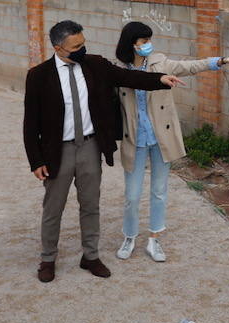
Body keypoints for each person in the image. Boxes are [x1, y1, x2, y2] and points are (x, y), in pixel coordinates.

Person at [23, 20, 182, 283]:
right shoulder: (39, 76)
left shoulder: (95, 64)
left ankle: (91, 256)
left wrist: (160, 80)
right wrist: (35, 160)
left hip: (89, 147)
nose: (82, 49)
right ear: (58, 47)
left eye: (83, 43)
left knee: (90, 205)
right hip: (57, 152)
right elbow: (30, 122)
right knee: (53, 207)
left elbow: (128, 77)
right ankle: (48, 258)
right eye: (76, 46)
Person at [113, 22, 229, 262]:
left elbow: (191, 66)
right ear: (131, 44)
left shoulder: (160, 62)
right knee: (132, 195)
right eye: (143, 42)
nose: (147, 45)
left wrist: (222, 60)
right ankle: (130, 236)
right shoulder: (120, 70)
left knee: (159, 191)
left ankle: (154, 238)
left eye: (148, 41)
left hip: (161, 137)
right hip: (134, 139)